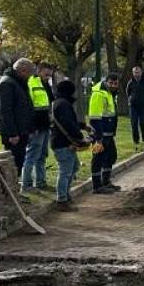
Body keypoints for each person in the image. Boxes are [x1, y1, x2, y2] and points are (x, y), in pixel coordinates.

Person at [0, 58, 36, 202]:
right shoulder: (7, 84)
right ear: (22, 70)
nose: (30, 77)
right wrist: (12, 133)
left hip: (21, 130)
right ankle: (10, 194)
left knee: (18, 162)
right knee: (13, 164)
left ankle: (14, 192)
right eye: (29, 74)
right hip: (13, 133)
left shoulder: (17, 82)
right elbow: (5, 111)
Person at [49, 79, 89, 211]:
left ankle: (65, 195)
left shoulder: (60, 103)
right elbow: (68, 124)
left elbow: (69, 122)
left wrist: (83, 126)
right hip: (63, 143)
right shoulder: (63, 104)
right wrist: (80, 138)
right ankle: (62, 200)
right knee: (65, 171)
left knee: (74, 167)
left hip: (62, 142)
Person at [23, 61, 55, 192]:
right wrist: (32, 127)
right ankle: (27, 184)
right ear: (39, 71)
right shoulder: (31, 83)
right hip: (36, 126)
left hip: (45, 125)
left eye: (50, 76)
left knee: (42, 155)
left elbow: (49, 102)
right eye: (46, 75)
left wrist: (51, 115)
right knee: (32, 155)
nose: (48, 78)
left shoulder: (46, 84)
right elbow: (28, 107)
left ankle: (41, 182)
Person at [89, 72, 122, 194]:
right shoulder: (99, 94)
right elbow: (94, 117)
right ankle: (97, 186)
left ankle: (106, 182)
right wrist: (98, 137)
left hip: (109, 134)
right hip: (100, 134)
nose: (113, 85)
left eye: (115, 83)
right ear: (106, 82)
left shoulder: (109, 94)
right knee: (98, 158)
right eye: (111, 83)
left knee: (110, 157)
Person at [126, 65, 144, 145]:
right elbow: (128, 92)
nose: (136, 74)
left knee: (143, 123)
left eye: (138, 72)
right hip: (133, 107)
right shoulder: (130, 83)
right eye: (135, 72)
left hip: (143, 107)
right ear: (133, 73)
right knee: (134, 123)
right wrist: (131, 99)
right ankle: (136, 140)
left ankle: (143, 134)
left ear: (141, 73)